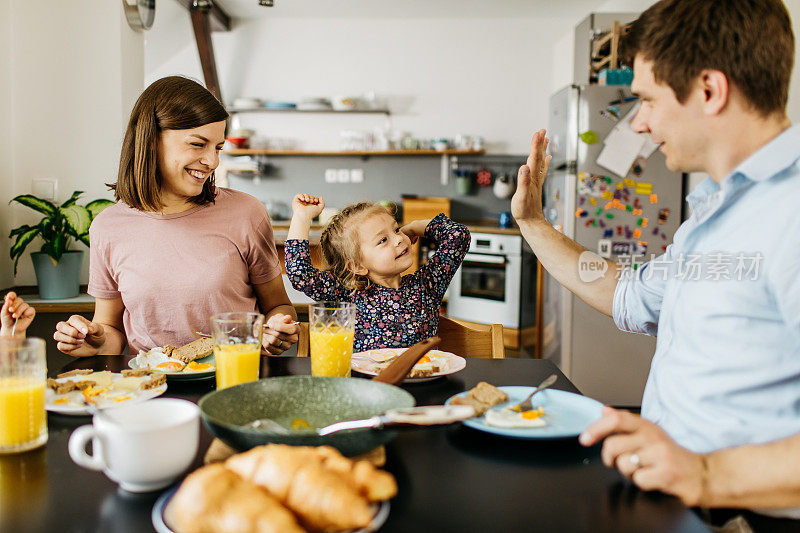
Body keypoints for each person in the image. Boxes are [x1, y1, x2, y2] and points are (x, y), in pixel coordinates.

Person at [512, 0, 800, 515]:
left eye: (645, 99)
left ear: (709, 91)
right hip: (679, 500)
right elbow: (626, 292)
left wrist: (709, 475)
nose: (639, 123)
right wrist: (534, 223)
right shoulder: (715, 213)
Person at [53, 76, 298, 357]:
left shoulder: (246, 213)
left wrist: (278, 328)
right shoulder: (108, 227)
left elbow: (279, 306)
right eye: (197, 144)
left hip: (235, 382)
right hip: (152, 386)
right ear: (151, 140)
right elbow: (110, 329)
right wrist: (90, 340)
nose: (213, 161)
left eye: (217, 147)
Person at [284, 193, 469, 351]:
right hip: (367, 388)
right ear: (357, 266)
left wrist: (414, 227)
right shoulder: (349, 294)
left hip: (421, 385)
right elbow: (300, 275)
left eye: (396, 229)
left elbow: (458, 236)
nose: (398, 239)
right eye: (383, 240)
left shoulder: (427, 285)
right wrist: (302, 217)